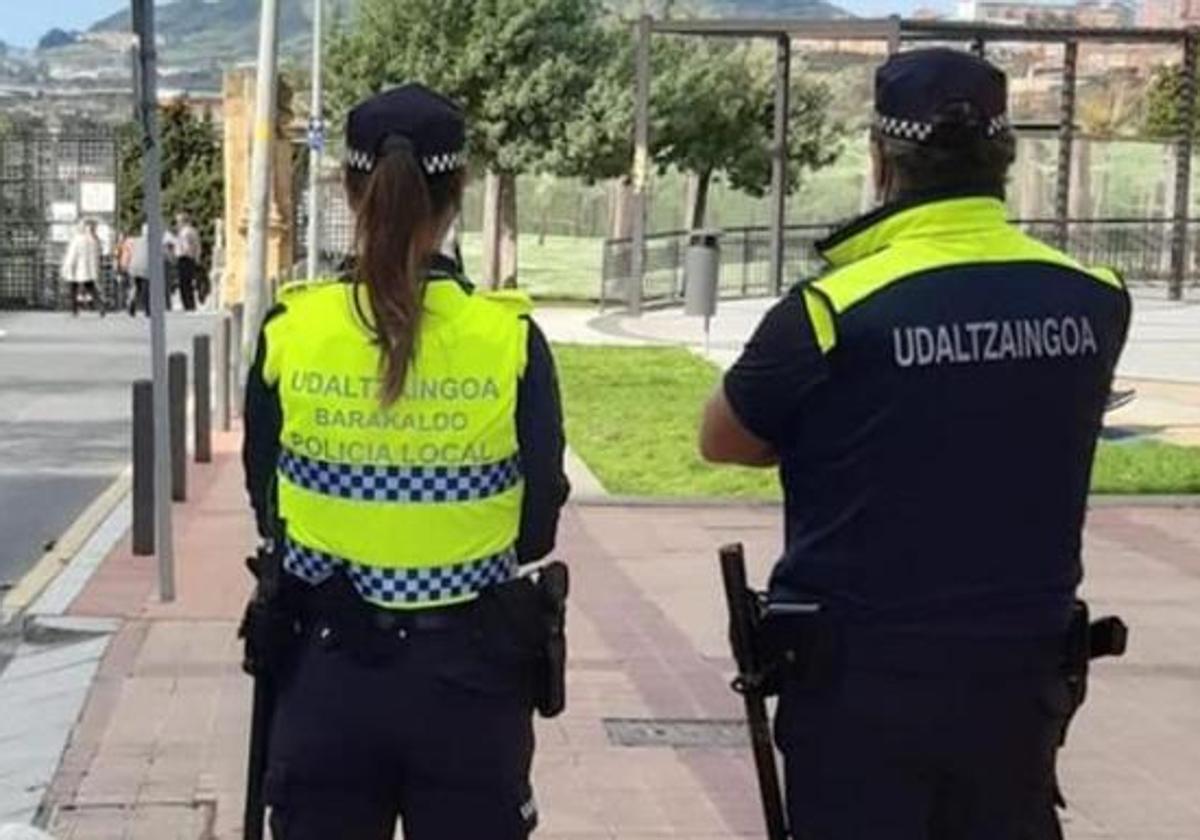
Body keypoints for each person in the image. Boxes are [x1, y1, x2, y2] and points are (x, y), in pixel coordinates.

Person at [699, 49, 1130, 839]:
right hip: (1021, 685)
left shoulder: (833, 309)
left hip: (861, 693)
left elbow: (723, 439)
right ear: (1005, 156)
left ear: (879, 160)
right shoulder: (1095, 300)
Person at [242, 84, 570, 840]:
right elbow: (536, 528)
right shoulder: (510, 340)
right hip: (469, 685)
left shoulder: (294, 328)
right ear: (458, 192)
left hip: (325, 677)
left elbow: (272, 505)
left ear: (353, 190)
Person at [61, 220, 106, 317]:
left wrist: (67, 267)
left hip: (76, 269)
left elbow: (72, 255)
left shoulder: (76, 240)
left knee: (73, 288)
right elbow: (96, 255)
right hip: (88, 269)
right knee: (91, 288)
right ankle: (101, 306)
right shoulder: (91, 240)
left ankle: (74, 310)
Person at [174, 212, 203, 310]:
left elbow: (187, 246)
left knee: (184, 283)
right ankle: (189, 304)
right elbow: (198, 246)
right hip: (190, 259)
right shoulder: (192, 231)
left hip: (185, 258)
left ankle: (188, 304)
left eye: (178, 221)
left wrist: (185, 252)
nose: (177, 224)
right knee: (188, 283)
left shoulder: (185, 232)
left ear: (183, 221)